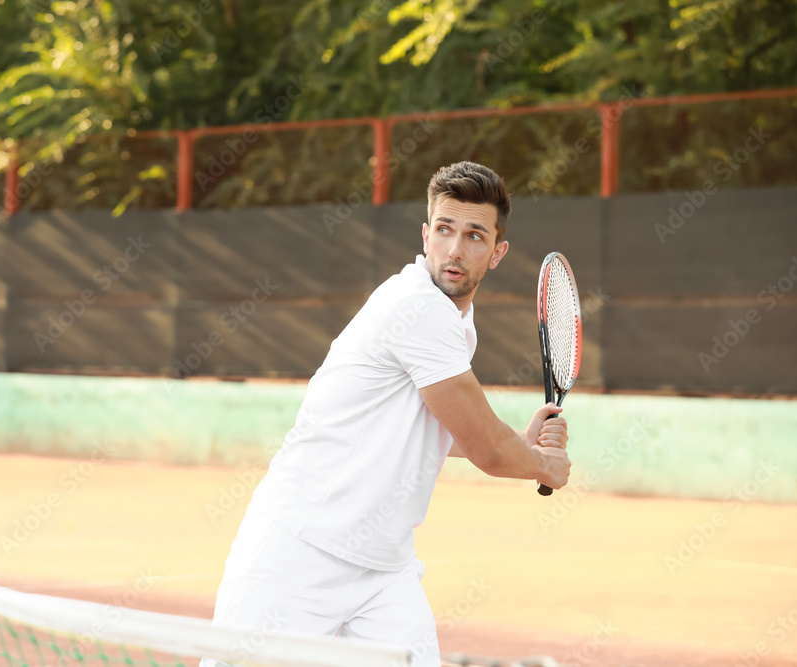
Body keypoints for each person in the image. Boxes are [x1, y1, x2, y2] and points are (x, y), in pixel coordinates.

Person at [200, 161, 571, 667]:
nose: (456, 249)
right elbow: (487, 449)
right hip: (298, 550)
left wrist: (521, 447)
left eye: (474, 236)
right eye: (444, 230)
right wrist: (542, 465)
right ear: (425, 235)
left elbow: (437, 427)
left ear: (497, 252)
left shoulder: (457, 321)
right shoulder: (417, 309)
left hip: (383, 571)